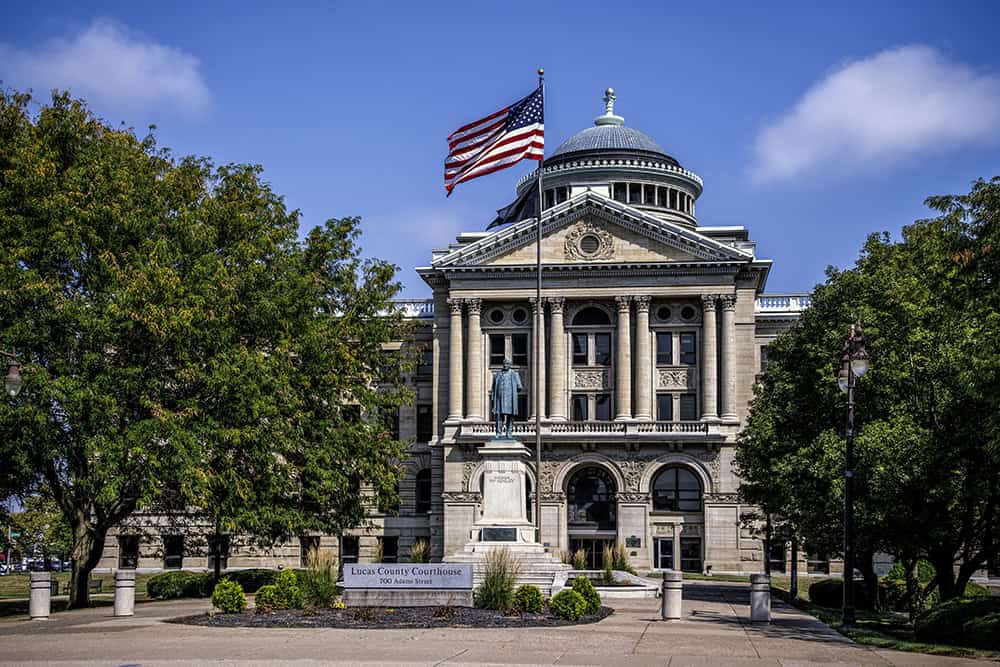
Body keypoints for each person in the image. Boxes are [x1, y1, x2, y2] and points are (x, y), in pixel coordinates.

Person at [491, 357, 523, 439]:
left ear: (510, 365)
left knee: (510, 417)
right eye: (504, 364)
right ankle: (498, 432)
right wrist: (493, 399)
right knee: (499, 416)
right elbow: (493, 388)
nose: (505, 365)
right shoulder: (497, 375)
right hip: (499, 398)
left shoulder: (514, 374)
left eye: (507, 364)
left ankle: (509, 432)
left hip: (510, 399)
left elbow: (519, 387)